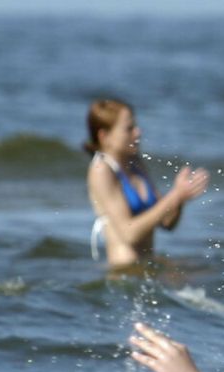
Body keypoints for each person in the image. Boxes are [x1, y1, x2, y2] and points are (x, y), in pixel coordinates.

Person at [84, 98, 209, 269]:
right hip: (124, 272)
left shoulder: (134, 162)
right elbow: (129, 233)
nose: (138, 132)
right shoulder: (102, 170)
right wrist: (175, 195)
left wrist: (181, 199)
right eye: (129, 129)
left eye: (135, 126)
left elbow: (167, 223)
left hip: (147, 267)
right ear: (104, 136)